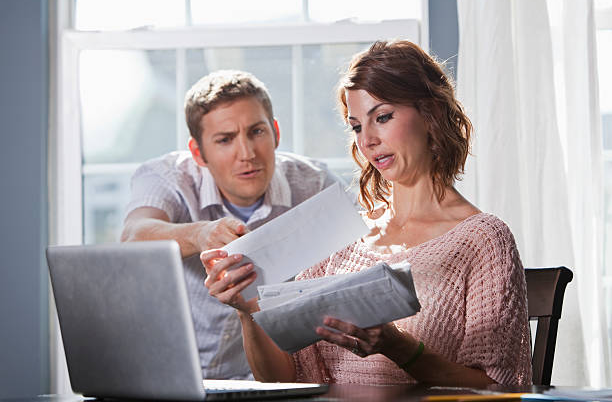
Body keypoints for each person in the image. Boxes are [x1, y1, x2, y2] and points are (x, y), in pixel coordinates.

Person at [202, 41, 533, 387]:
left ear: (431, 114)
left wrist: (397, 346)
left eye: (383, 117)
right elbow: (284, 380)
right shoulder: (340, 236)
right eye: (357, 126)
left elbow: (502, 389)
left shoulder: (483, 240)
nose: (368, 140)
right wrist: (247, 310)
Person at [120, 70, 347, 379]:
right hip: (170, 377)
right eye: (225, 140)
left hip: (267, 379)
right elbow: (133, 237)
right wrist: (200, 233)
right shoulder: (167, 178)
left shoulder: (315, 184)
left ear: (276, 132)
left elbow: (361, 258)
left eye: (256, 132)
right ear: (198, 153)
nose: (247, 153)